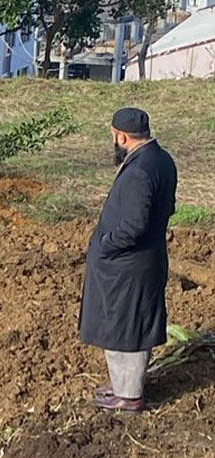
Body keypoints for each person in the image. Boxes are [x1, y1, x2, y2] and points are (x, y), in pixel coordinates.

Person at [79, 107, 176, 414]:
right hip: (144, 260)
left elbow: (135, 224)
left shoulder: (138, 171)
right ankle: (122, 386)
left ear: (121, 136)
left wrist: (105, 246)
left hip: (128, 266)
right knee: (124, 324)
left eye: (112, 136)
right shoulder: (162, 160)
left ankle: (129, 396)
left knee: (126, 327)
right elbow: (168, 207)